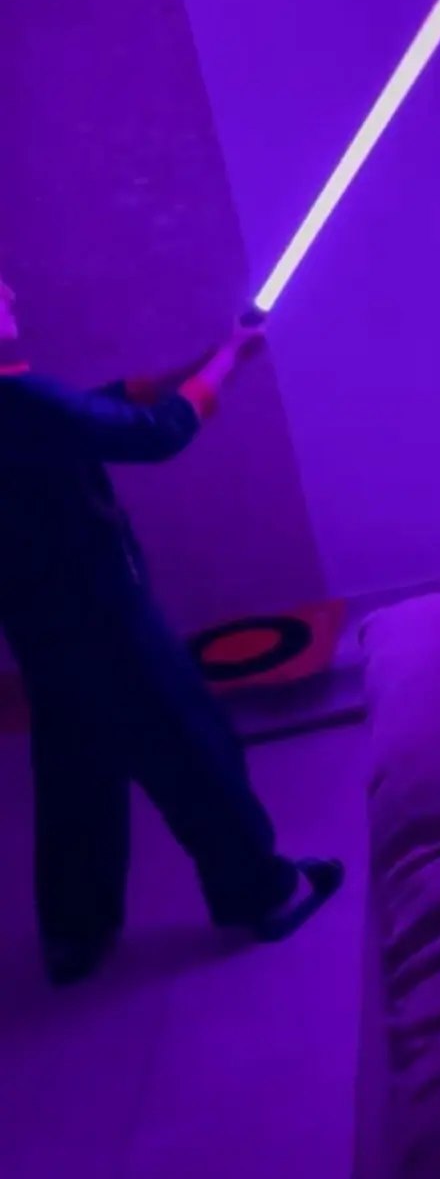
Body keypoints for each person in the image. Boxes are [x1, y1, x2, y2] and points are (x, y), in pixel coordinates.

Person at [0, 278, 343, 986]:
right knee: (192, 746)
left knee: (76, 771)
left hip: (41, 625)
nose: (8, 291)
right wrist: (231, 361)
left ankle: (75, 932)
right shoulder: (20, 399)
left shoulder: (20, 402)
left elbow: (96, 408)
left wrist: (206, 360)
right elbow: (154, 435)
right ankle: (264, 894)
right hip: (106, 617)